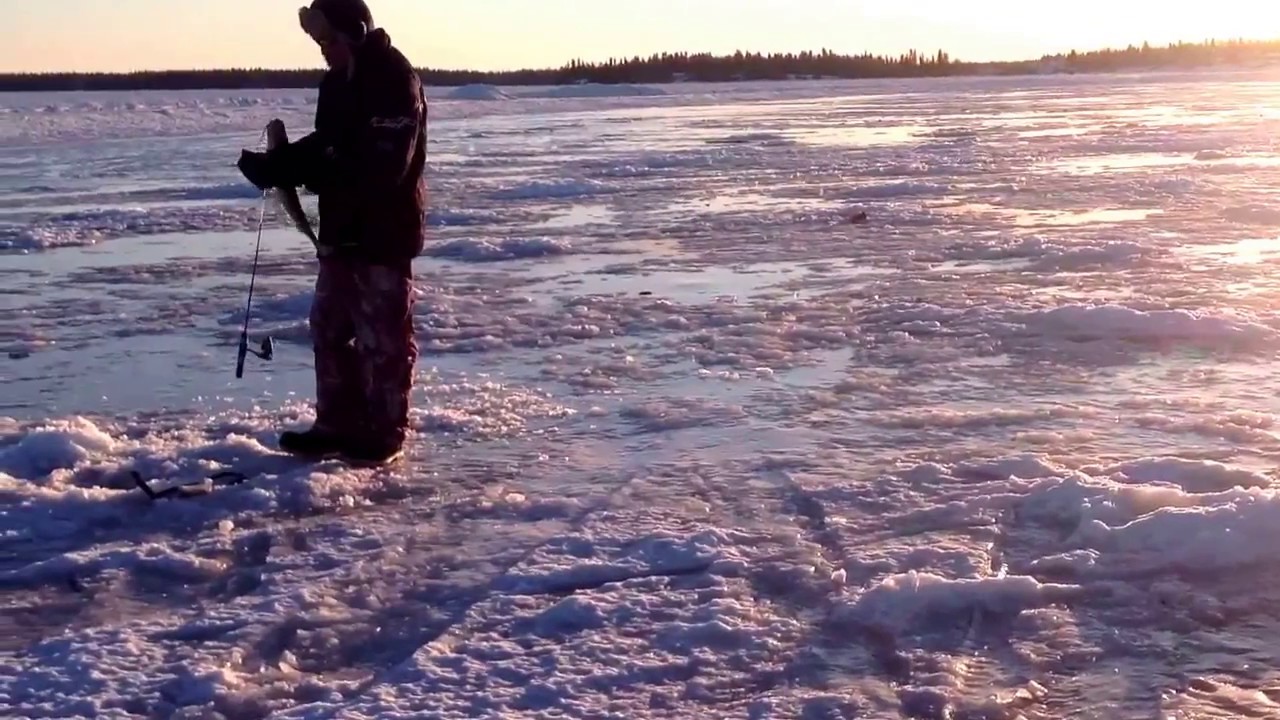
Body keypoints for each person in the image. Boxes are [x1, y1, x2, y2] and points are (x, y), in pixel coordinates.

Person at [237, 0, 427, 466]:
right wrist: (280, 165)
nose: (323, 51)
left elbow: (384, 164)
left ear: (355, 33)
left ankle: (383, 432)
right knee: (329, 327)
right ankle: (336, 423)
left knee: (382, 335)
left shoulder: (392, 79)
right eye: (319, 43)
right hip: (340, 229)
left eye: (328, 42)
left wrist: (318, 172)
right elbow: (329, 143)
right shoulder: (337, 84)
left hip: (383, 232)